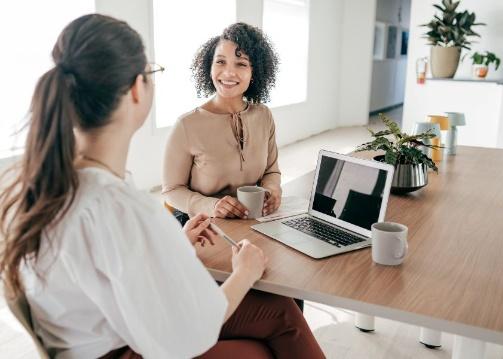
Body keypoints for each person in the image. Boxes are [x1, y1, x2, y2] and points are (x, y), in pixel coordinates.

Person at [0, 14, 324, 358]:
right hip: (131, 348)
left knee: (279, 314)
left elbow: (110, 270)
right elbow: (190, 333)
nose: (229, 72)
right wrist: (245, 273)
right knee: (276, 326)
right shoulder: (123, 206)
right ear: (138, 88)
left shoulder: (33, 187)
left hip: (101, 339)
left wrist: (176, 247)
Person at [162, 22, 282, 226]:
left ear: (255, 72)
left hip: (251, 222)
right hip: (203, 227)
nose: (228, 73)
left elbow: (271, 171)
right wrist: (211, 206)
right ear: (209, 67)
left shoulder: (263, 116)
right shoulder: (187, 125)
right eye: (220, 62)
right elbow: (171, 191)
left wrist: (273, 189)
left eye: (241, 64)